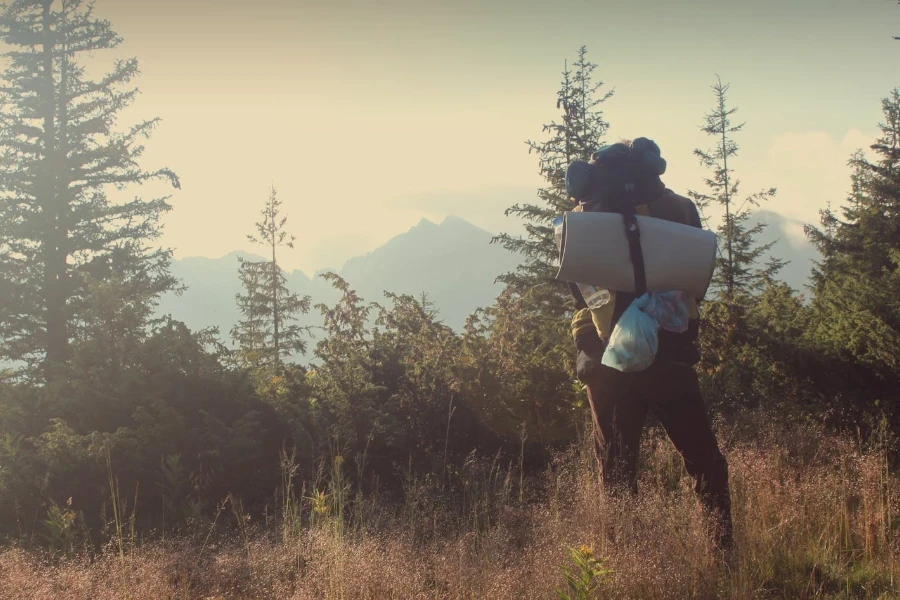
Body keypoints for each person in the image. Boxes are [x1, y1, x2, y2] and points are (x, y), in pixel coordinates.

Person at [565, 137, 733, 553]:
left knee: (616, 471)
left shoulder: (583, 220)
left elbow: (578, 293)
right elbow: (699, 281)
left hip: (607, 361)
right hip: (668, 356)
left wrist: (590, 336)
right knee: (704, 462)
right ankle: (724, 557)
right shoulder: (678, 209)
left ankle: (621, 566)